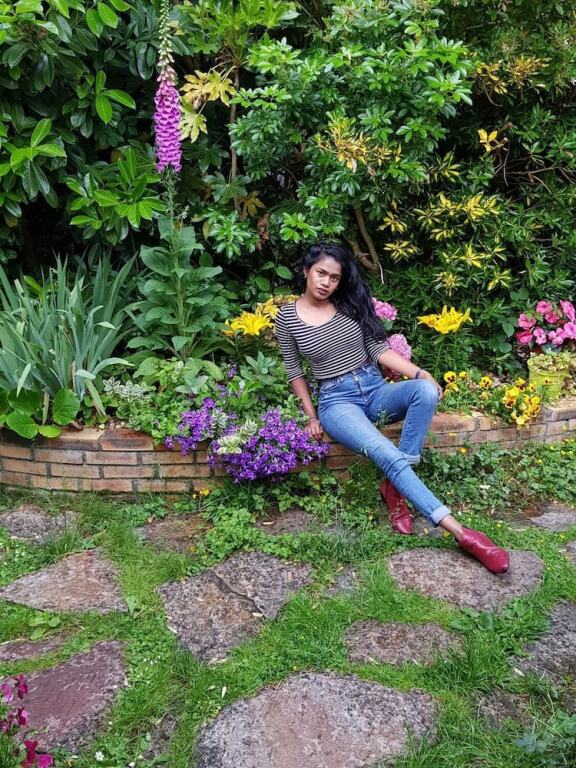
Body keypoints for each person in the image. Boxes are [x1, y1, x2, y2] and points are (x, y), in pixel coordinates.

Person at [275, 242, 509, 574]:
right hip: (337, 402)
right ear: (306, 271)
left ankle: (394, 487)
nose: (326, 282)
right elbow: (294, 371)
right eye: (321, 273)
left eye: (334, 277)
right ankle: (463, 534)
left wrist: (419, 373)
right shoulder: (287, 317)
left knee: (424, 391)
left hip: (375, 388)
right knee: (386, 452)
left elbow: (377, 350)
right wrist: (311, 416)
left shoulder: (349, 304)